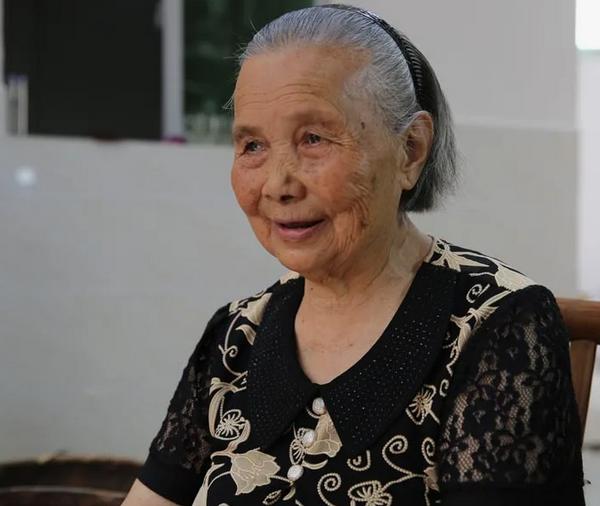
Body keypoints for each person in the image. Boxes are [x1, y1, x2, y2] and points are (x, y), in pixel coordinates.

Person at [122, 4, 585, 505]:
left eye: (313, 139)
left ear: (411, 149)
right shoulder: (237, 337)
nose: (277, 185)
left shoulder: (497, 327)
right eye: (252, 145)